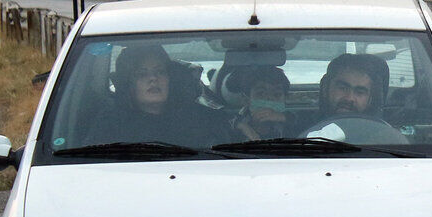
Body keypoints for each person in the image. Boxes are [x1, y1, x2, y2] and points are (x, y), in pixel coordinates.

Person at [96, 44, 225, 147]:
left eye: (160, 72)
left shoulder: (198, 119)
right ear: (128, 84)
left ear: (170, 79)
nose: (153, 78)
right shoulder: (110, 124)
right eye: (142, 74)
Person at [317, 53, 389, 119]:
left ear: (371, 99)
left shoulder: (385, 132)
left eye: (360, 92)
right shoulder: (307, 129)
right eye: (343, 88)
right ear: (325, 88)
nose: (349, 98)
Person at [231, 66, 294, 140]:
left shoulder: (292, 123)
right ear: (246, 100)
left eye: (277, 94)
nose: (269, 98)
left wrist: (286, 118)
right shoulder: (233, 124)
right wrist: (240, 126)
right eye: (261, 93)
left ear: (285, 99)